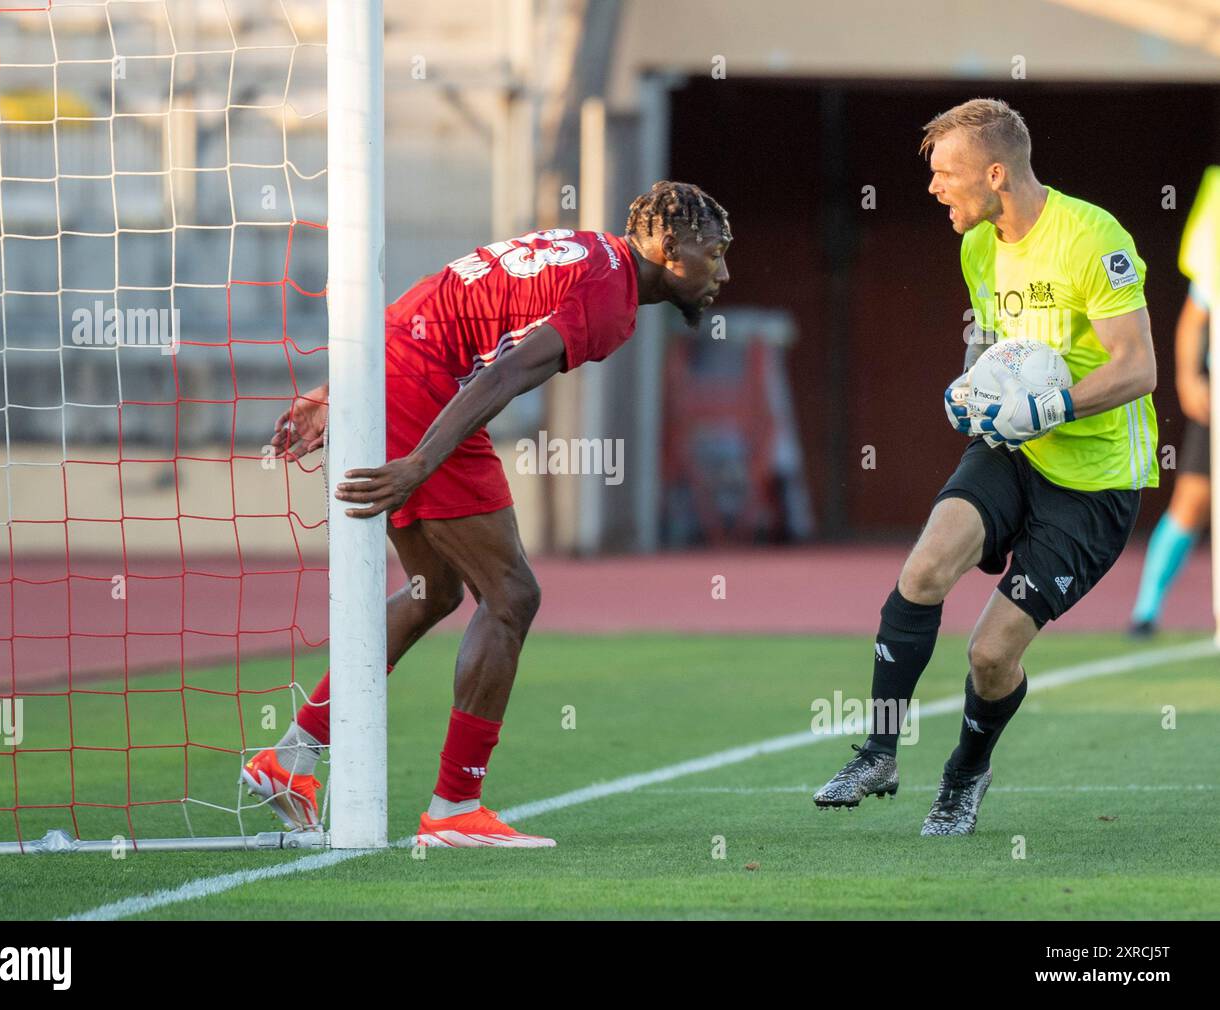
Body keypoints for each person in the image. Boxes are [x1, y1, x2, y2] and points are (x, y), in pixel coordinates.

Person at [241, 181, 732, 847]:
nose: (722, 272)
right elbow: (500, 376)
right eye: (713, 253)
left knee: (434, 591)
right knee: (511, 595)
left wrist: (345, 389)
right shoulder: (610, 297)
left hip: (396, 367)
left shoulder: (588, 252)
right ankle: (453, 808)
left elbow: (441, 295)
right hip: (423, 389)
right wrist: (418, 461)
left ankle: (292, 757)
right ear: (666, 248)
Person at [813, 98, 1157, 836]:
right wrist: (969, 389)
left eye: (946, 173)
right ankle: (877, 750)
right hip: (1012, 450)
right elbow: (994, 347)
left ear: (996, 173)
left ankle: (965, 775)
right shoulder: (978, 246)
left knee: (991, 655)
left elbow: (1139, 369)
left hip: (1093, 481)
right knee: (925, 567)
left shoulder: (1094, 237)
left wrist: (1053, 408)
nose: (934, 187)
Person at [1128, 283, 1211, 637]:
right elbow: (1194, 318)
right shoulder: (1213, 255)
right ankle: (1146, 611)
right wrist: (1189, 378)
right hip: (1217, 403)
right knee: (1191, 503)